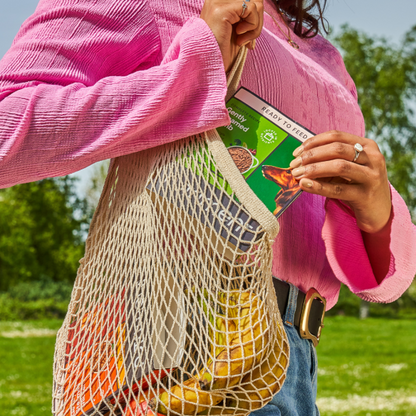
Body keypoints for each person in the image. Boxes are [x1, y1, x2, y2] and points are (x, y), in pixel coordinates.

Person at [0, 0, 415, 414]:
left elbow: (381, 282)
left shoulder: (323, 54)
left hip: (284, 361)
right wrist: (192, 71)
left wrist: (375, 210)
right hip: (174, 344)